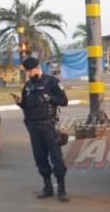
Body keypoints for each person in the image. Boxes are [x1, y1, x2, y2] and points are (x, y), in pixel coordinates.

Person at [12, 57, 70, 202]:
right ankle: (47, 187)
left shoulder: (52, 82)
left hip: (49, 126)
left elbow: (64, 101)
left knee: (56, 158)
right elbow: (26, 106)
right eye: (27, 72)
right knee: (40, 158)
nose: (29, 74)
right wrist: (20, 103)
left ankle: (62, 190)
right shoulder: (28, 86)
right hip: (34, 127)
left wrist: (49, 98)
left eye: (31, 71)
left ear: (38, 67)